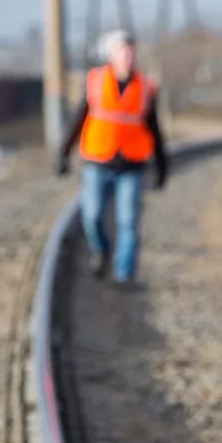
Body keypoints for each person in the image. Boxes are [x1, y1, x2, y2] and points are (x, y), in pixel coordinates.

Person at [57, 29, 168, 284]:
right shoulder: (96, 81)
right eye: (122, 50)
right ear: (111, 55)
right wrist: (63, 154)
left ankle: (123, 274)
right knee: (92, 216)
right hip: (98, 161)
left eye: (130, 50)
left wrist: (162, 166)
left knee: (128, 221)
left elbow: (155, 129)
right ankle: (101, 250)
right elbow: (78, 119)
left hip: (132, 165)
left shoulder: (144, 88)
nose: (128, 55)